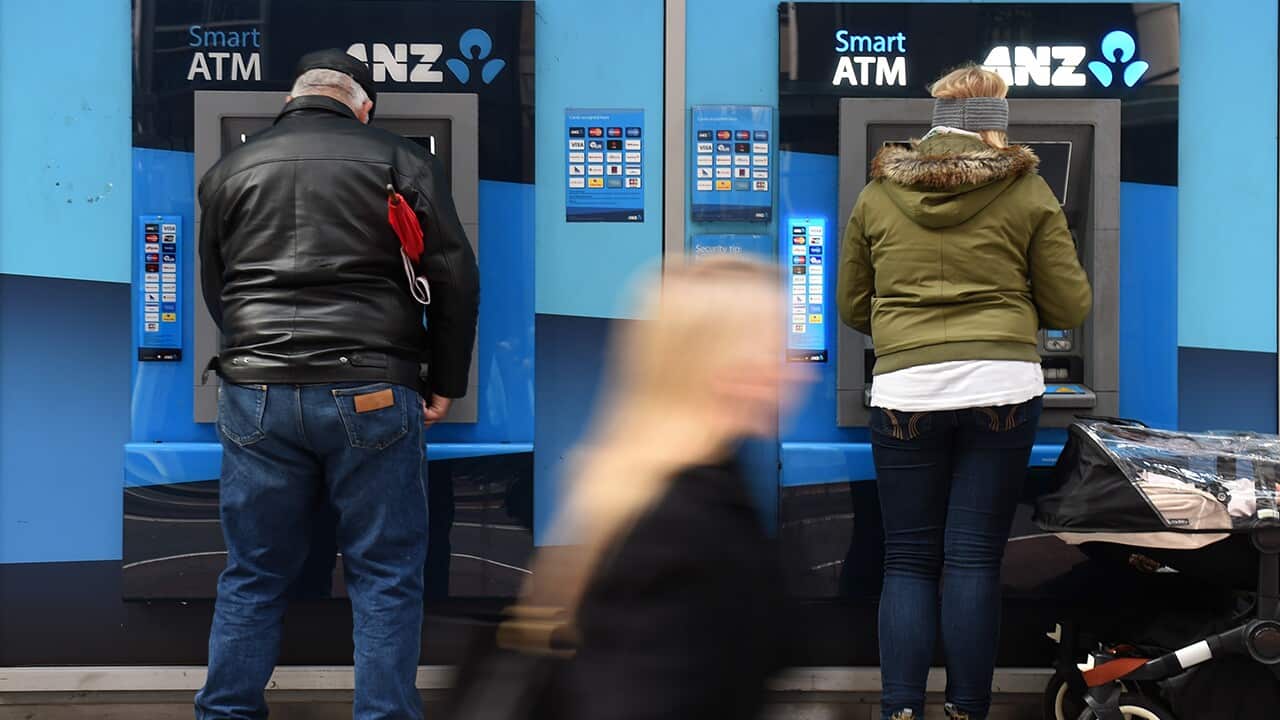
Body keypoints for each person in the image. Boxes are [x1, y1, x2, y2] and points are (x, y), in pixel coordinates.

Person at [194, 49, 479, 720]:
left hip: (255, 391)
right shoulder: (401, 160)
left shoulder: (231, 168)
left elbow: (218, 286)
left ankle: (226, 712)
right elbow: (454, 279)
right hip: (373, 390)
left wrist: (258, 356)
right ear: (364, 105)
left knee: (253, 572)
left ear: (291, 100)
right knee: (383, 575)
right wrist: (445, 380)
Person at [837, 65, 1092, 720]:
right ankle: (966, 711)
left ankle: (899, 711)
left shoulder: (877, 194)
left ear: (936, 114)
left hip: (905, 390)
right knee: (975, 558)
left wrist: (910, 334)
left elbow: (852, 306)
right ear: (995, 118)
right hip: (1001, 387)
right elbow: (1070, 303)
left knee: (908, 559)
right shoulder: (1030, 191)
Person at [498, 259, 807, 720]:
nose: (798, 371)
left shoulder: (680, 485)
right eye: (775, 350)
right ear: (722, 366)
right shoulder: (681, 522)